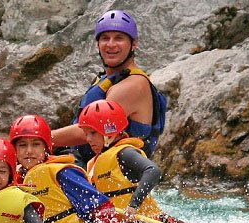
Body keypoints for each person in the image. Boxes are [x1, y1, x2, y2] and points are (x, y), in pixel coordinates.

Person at [77, 99, 199, 223]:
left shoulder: (124, 153)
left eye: (93, 133)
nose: (88, 139)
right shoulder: (93, 164)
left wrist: (133, 205)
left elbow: (153, 171)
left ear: (110, 132)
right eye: (86, 133)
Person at [50, 9, 167, 165]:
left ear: (134, 44)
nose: (111, 44)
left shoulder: (133, 85)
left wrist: (38, 138)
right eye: (105, 38)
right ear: (98, 44)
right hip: (87, 163)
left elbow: (89, 130)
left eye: (119, 38)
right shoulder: (106, 79)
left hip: (112, 172)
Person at [10, 114, 120, 223]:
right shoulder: (12, 178)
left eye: (36, 144)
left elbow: (104, 211)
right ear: (15, 150)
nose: (29, 151)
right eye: (22, 145)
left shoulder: (63, 173)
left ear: (46, 148)